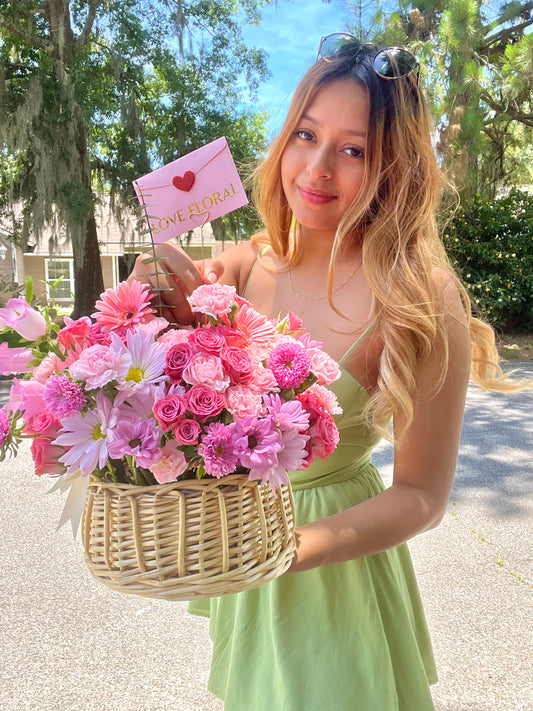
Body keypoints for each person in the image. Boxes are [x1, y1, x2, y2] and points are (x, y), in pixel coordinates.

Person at [129, 34, 522, 711]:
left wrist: (286, 547)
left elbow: (422, 495)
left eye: (352, 149)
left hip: (333, 572)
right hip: (247, 569)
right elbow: (189, 424)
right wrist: (159, 319)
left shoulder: (417, 297)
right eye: (305, 135)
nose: (315, 168)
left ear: (392, 167)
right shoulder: (244, 264)